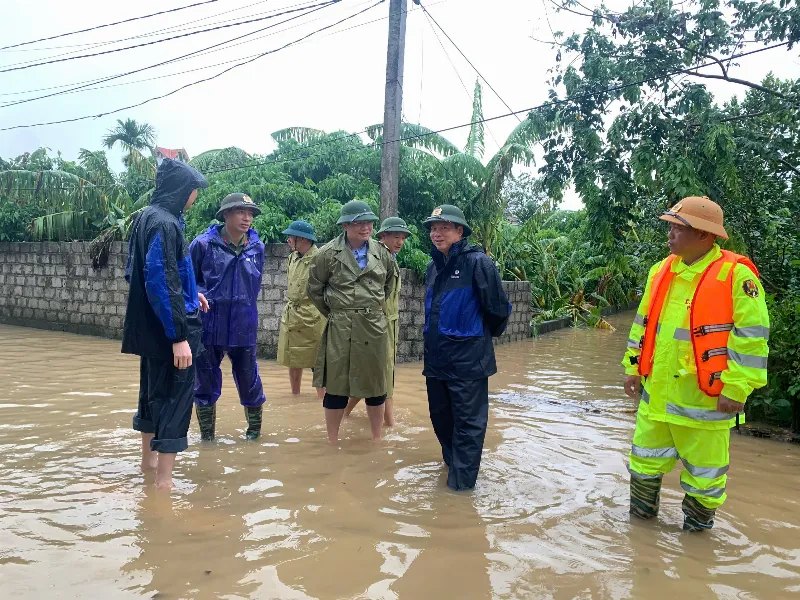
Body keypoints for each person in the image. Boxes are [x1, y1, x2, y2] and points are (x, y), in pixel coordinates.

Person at [622, 196, 770, 531]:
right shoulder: (660, 271)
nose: (670, 233)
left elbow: (752, 338)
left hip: (705, 402)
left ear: (704, 235)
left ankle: (697, 542)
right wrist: (632, 367)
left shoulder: (736, 277)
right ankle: (641, 538)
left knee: (705, 478)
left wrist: (736, 388)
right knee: (643, 465)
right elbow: (642, 325)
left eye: (678, 227)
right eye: (671, 225)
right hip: (656, 397)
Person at [122, 158, 209, 490]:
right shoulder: (166, 224)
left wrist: (191, 294)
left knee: (152, 396)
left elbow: (140, 273)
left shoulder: (146, 217)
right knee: (174, 399)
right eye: (193, 191)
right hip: (169, 333)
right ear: (181, 191)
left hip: (150, 330)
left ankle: (149, 465)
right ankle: (164, 485)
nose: (195, 197)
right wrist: (178, 335)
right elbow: (159, 279)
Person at [422, 204, 512, 491]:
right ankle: (453, 467)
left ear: (460, 231)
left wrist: (478, 337)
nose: (437, 233)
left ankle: (460, 490)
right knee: (441, 419)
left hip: (468, 362)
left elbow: (498, 309)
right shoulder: (432, 268)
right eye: (434, 228)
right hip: (436, 361)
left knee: (468, 426)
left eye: (444, 227)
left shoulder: (478, 264)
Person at [307, 200, 396, 444]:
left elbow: (388, 286)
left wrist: (368, 309)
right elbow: (314, 289)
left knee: (376, 386)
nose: (365, 227)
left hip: (374, 326)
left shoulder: (382, 253)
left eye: (368, 222)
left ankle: (376, 439)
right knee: (336, 386)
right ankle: (332, 442)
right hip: (340, 325)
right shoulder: (327, 254)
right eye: (359, 222)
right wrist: (338, 312)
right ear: (345, 225)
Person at [189, 193, 267, 441]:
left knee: (250, 380)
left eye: (250, 213)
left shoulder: (257, 247)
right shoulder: (202, 245)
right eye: (241, 212)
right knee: (204, 384)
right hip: (209, 325)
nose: (247, 218)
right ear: (225, 215)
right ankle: (207, 439)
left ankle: (254, 436)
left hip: (244, 325)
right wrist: (201, 296)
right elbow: (187, 283)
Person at [344, 216, 411, 426]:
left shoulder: (390, 258)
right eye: (395, 237)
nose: (400, 242)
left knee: (374, 375)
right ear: (383, 236)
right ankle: (389, 425)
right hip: (376, 324)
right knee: (382, 377)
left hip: (389, 323)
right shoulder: (377, 259)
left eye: (403, 238)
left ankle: (344, 415)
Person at [276, 220, 326, 400]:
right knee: (293, 358)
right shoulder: (293, 257)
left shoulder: (320, 259)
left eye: (291, 237)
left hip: (313, 315)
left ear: (303, 239)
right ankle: (294, 397)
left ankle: (325, 403)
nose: (288, 240)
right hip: (292, 314)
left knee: (318, 361)